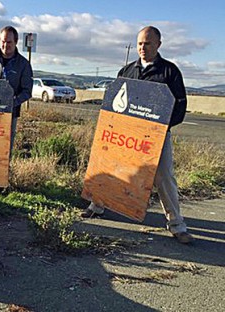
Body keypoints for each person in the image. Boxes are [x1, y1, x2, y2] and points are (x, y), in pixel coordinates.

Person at [81, 26, 193, 244]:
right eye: (140, 43)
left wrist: (160, 128)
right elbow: (114, 104)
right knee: (112, 167)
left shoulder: (169, 72)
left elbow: (180, 107)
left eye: (148, 44)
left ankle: (177, 225)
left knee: (163, 176)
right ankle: (98, 205)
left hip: (156, 138)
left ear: (158, 45)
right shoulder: (127, 71)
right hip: (124, 135)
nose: (142, 48)